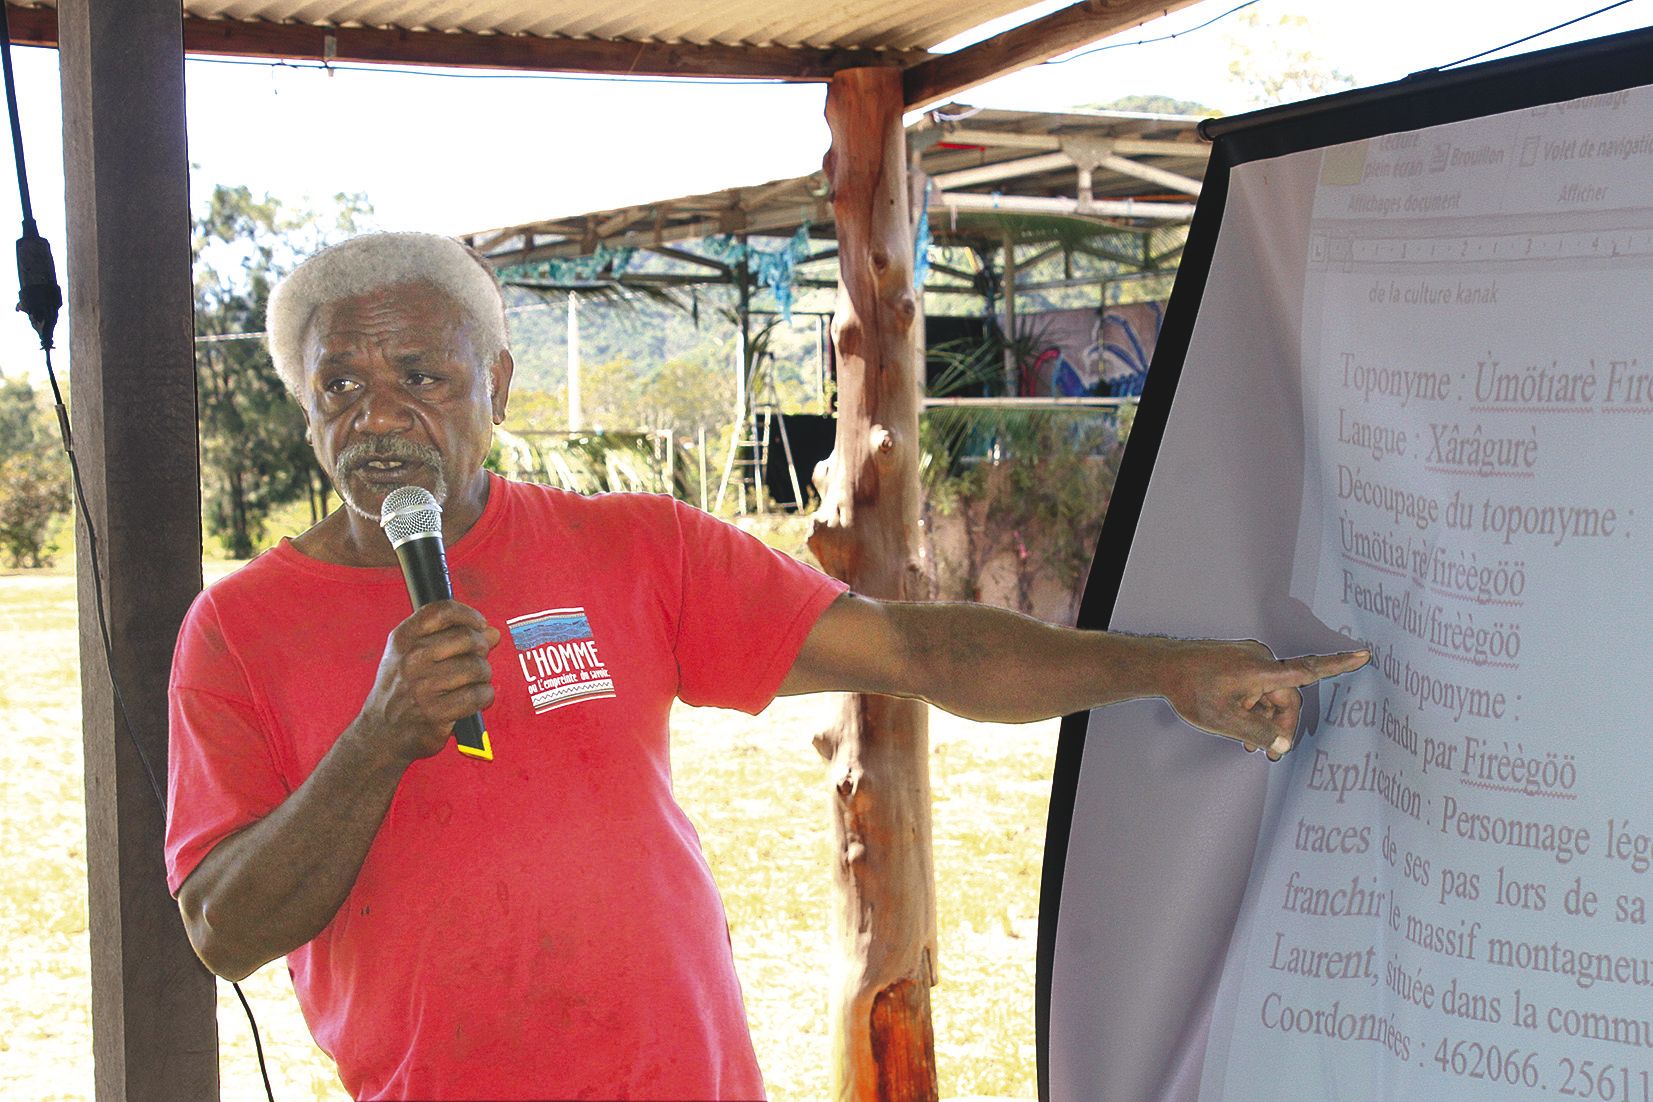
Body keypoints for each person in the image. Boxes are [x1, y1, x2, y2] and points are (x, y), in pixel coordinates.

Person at [165, 232, 1367, 1101]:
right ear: (301, 407)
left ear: (497, 385)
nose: (378, 417)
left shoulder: (629, 547)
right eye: (340, 386)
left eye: (421, 376)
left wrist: (1159, 672)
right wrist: (377, 737)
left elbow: (914, 646)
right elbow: (220, 927)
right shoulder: (238, 631)